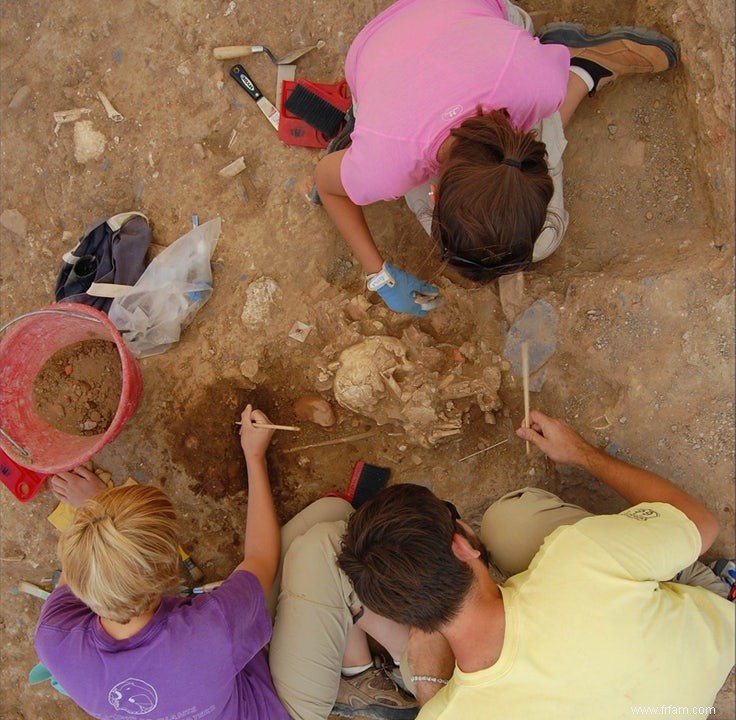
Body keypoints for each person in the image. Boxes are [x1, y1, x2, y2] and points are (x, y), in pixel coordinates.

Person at [337, 409, 736, 718]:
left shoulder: (448, 713)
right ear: (461, 547)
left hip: (681, 709)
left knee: (414, 671)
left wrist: (430, 690)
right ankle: (703, 577)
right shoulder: (577, 557)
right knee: (513, 522)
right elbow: (702, 522)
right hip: (712, 645)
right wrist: (581, 454)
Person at [35, 406, 417, 720]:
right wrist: (254, 456)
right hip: (278, 708)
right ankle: (415, 664)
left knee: (333, 513)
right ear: (171, 569)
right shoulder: (207, 628)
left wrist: (96, 508)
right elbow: (260, 558)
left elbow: (88, 564)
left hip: (220, 678)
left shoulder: (56, 639)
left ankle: (355, 661)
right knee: (330, 542)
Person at [313, 0, 679, 315]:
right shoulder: (385, 166)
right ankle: (581, 67)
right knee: (542, 242)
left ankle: (582, 69)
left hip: (461, 34)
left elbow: (331, 186)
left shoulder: (536, 84)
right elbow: (326, 184)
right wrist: (380, 276)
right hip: (385, 49)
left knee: (541, 239)